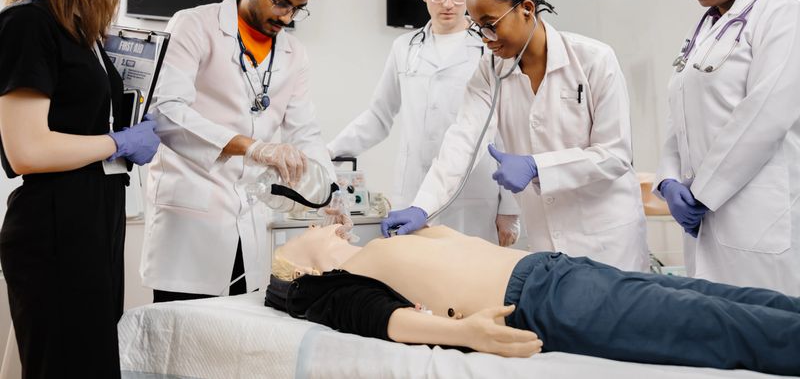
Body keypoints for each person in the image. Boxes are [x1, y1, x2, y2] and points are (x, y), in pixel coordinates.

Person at [382, 0, 648, 271]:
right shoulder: (490, 70)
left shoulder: (594, 59)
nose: (486, 38)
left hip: (607, 237)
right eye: (478, 27)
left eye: (491, 24)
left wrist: (538, 166)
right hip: (546, 237)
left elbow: (615, 154)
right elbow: (462, 141)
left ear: (526, 9)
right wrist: (422, 206)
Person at [268, 224, 800, 375]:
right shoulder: (335, 282)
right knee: (715, 324)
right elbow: (384, 320)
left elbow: (464, 248)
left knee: (716, 296)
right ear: (301, 268)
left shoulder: (379, 246)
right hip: (541, 300)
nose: (324, 224)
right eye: (309, 232)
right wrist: (465, 333)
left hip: (556, 268)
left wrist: (425, 226)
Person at [0, 0, 158, 377]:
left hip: (95, 216)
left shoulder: (80, 31)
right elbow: (25, 149)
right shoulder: (29, 23)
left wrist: (125, 132)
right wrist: (117, 143)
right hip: (57, 225)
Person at [141, 0, 336, 302]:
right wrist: (255, 148)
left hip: (249, 218)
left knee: (236, 340)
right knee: (183, 337)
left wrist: (331, 192)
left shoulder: (294, 53)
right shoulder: (194, 25)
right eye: (280, 2)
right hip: (191, 216)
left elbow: (305, 130)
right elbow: (167, 111)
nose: (286, 17)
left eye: (297, 8)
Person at [655, 0, 800, 295]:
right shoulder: (704, 29)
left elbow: (766, 113)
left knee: (766, 333)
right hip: (704, 213)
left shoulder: (781, 15)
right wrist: (668, 180)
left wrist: (703, 192)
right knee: (715, 329)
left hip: (756, 210)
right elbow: (678, 112)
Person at [328, 0, 520, 245]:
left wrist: (509, 207)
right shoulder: (404, 48)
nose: (448, 3)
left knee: (470, 282)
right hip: (413, 191)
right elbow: (379, 116)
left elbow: (507, 128)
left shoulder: (490, 47)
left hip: (474, 193)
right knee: (412, 284)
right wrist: (328, 151)